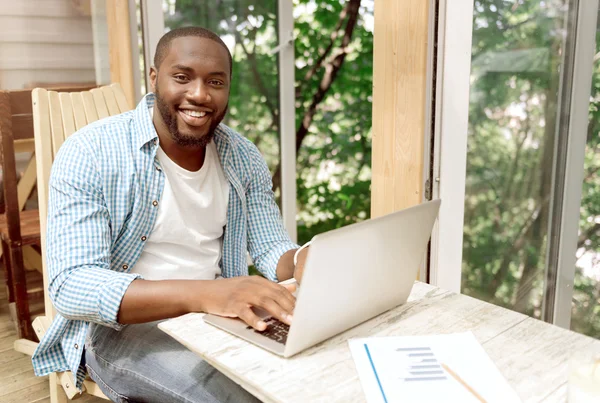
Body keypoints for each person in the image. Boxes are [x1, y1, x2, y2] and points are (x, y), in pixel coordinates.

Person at [31, 26, 309, 403]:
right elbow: (72, 286)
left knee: (307, 371)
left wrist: (302, 259)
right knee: (242, 398)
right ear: (153, 77)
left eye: (215, 81)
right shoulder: (90, 151)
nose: (199, 94)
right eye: (182, 77)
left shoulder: (242, 156)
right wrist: (208, 294)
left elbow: (270, 244)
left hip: (217, 315)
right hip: (120, 327)